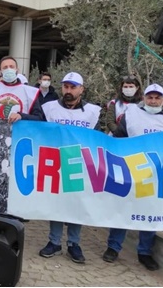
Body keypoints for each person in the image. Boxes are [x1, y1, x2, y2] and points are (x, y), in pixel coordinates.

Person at [102, 83, 163, 271]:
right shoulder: (131, 115)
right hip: (131, 171)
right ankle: (113, 247)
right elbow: (117, 138)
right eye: (150, 97)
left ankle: (144, 253)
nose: (153, 101)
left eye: (157, 97)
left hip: (156, 175)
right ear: (143, 98)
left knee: (150, 213)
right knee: (123, 209)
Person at [39, 72, 102, 264]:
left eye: (73, 87)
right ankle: (54, 242)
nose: (68, 90)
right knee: (57, 204)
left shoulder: (93, 112)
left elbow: (98, 138)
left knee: (77, 204)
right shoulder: (49, 108)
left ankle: (74, 244)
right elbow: (38, 130)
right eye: (66, 86)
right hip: (55, 164)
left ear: (81, 89)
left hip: (80, 164)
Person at [0, 56, 44, 121]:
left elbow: (38, 118)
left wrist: (21, 116)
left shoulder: (30, 92)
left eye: (11, 66)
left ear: (17, 70)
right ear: (0, 72)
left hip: (19, 130)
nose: (9, 69)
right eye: (5, 67)